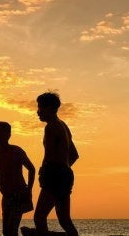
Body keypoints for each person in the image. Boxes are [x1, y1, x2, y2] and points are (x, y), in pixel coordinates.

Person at [33, 92, 79, 236]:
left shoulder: (51, 127)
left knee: (39, 216)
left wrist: (45, 171)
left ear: (50, 108)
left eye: (40, 108)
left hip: (54, 174)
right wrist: (64, 168)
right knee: (65, 220)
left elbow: (49, 155)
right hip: (65, 174)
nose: (37, 111)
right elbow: (74, 155)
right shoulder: (63, 125)